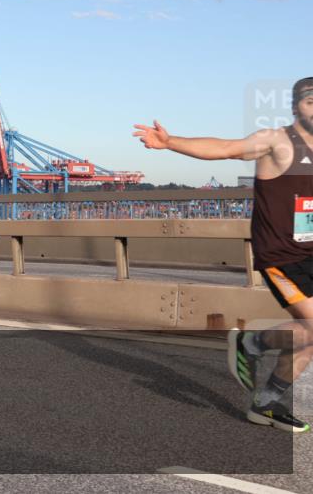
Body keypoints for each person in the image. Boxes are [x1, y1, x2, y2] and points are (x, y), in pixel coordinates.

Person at [134, 76, 313, 433]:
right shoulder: (277, 141)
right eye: (311, 101)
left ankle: (267, 404)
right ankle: (251, 341)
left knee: (308, 337)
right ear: (296, 107)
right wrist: (170, 143)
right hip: (281, 254)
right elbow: (225, 147)